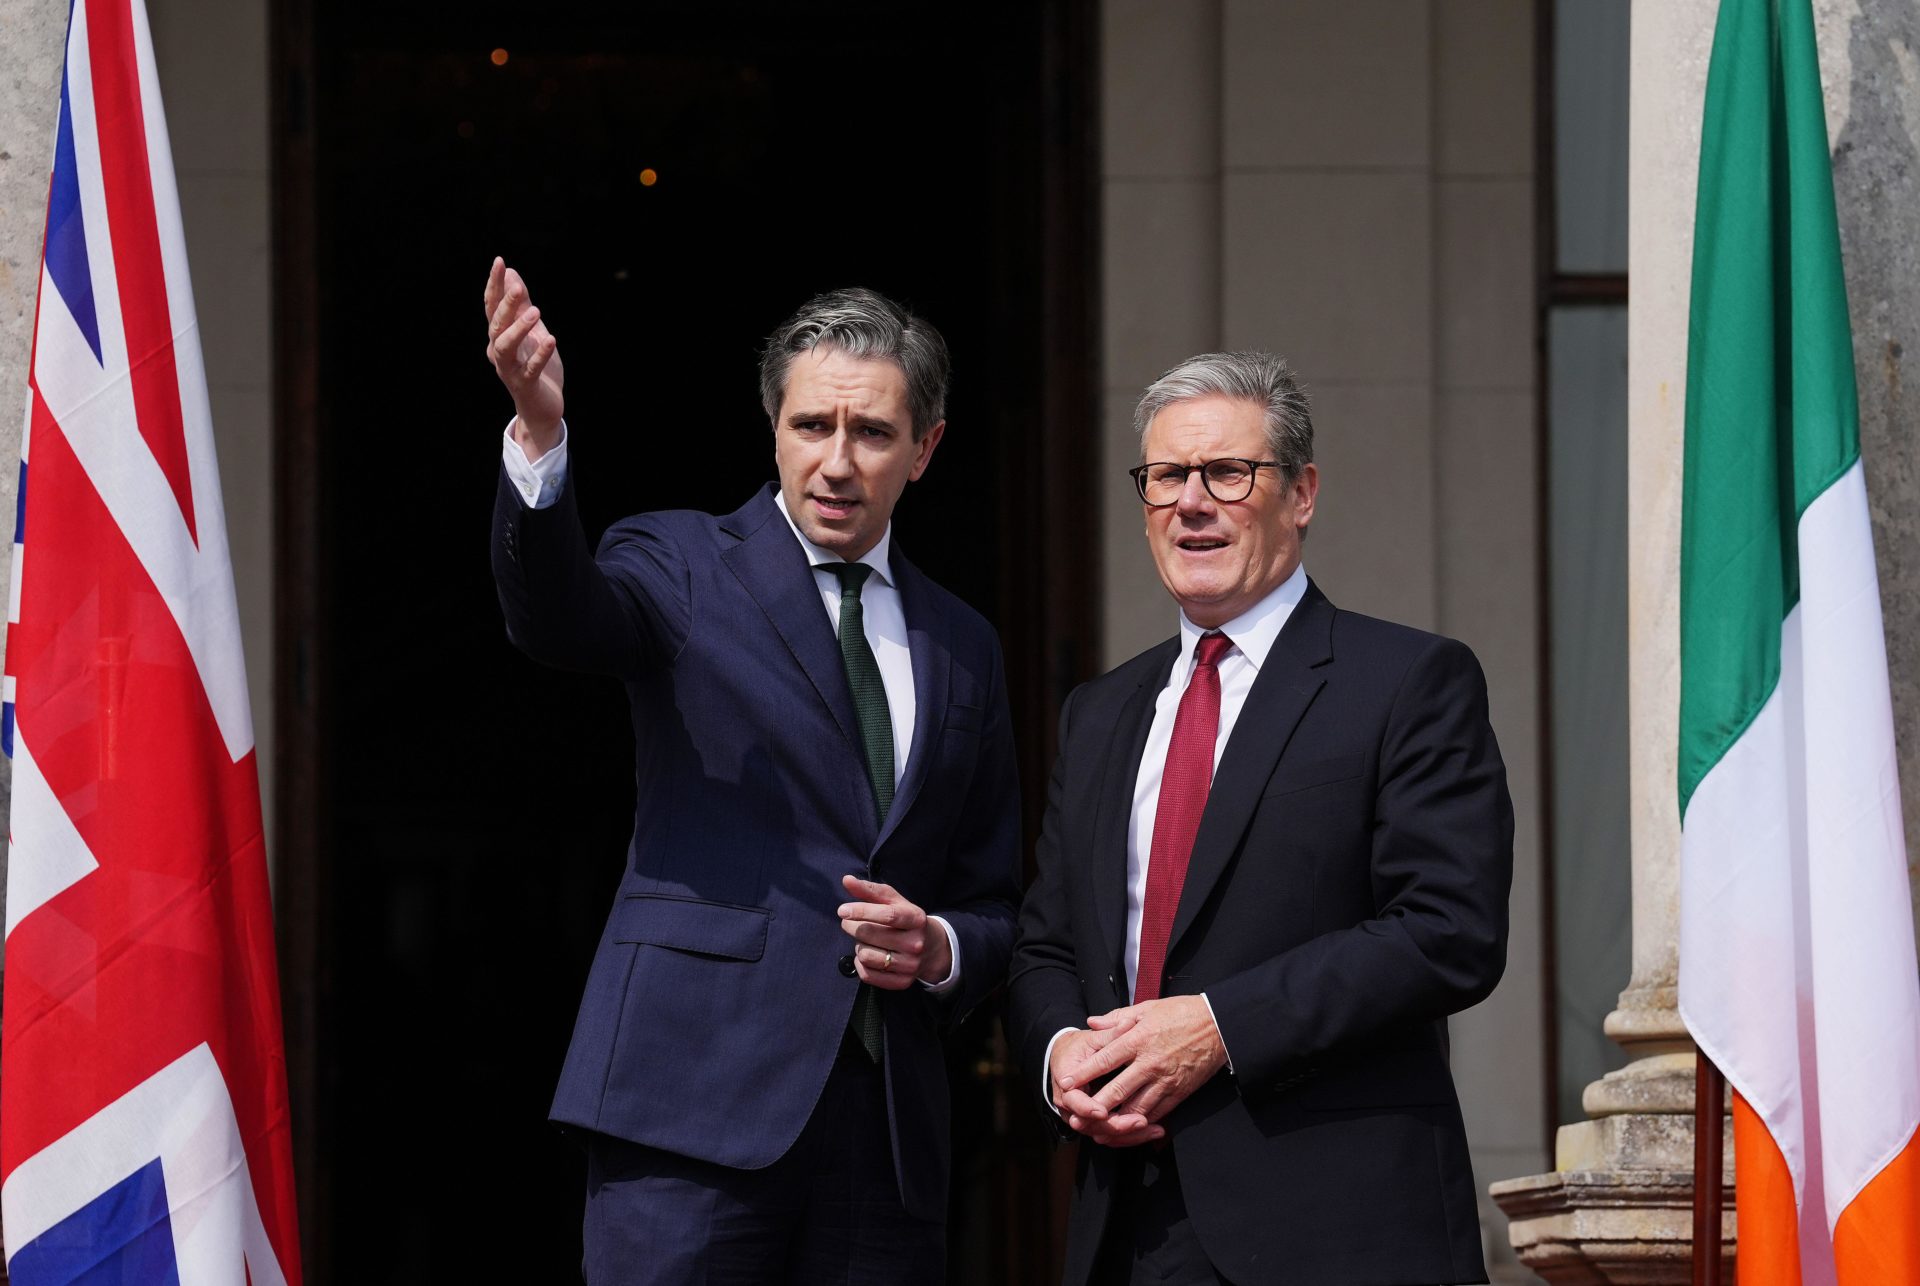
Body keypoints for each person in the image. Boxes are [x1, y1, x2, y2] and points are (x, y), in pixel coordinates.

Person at [483, 261, 1022, 1284]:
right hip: (691, 1104)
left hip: (885, 1141)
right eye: (811, 425)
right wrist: (541, 436)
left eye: (871, 433)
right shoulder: (683, 562)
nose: (836, 461)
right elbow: (558, 618)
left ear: (926, 449)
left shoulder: (965, 645)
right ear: (773, 427)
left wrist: (941, 943)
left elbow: (993, 894)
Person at [1008, 351, 1513, 1285]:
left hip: (1337, 1232)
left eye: (1228, 473)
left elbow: (1450, 930)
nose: (1192, 502)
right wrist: (1060, 1056)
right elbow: (1046, 944)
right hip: (1127, 1228)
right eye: (1166, 478)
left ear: (1302, 493)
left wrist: (1217, 1027)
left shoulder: (1406, 681)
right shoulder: (1100, 713)